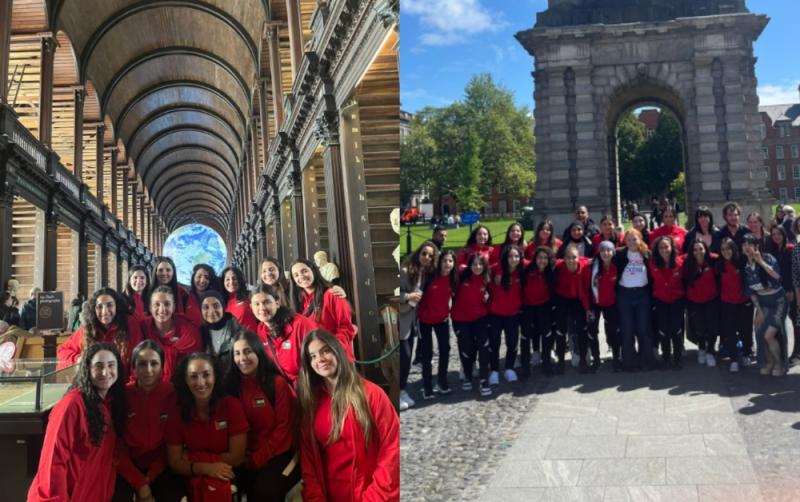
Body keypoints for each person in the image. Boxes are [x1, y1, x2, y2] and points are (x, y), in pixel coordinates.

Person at [297, 330, 399, 501]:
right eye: (312, 356)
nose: (320, 359)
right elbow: (309, 462)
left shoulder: (372, 394)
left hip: (370, 495)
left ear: (337, 351)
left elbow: (392, 451)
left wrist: (375, 497)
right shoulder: (310, 403)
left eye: (325, 351)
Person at [28, 343, 126, 501]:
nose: (105, 372)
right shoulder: (72, 405)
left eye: (111, 365)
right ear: (87, 369)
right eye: (98, 366)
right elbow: (53, 461)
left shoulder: (110, 404)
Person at [225, 331, 300, 501]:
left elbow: (284, 429)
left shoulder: (276, 384)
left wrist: (257, 459)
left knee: (265, 493)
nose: (242, 358)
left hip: (280, 454)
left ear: (258, 352)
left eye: (248, 351)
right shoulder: (231, 386)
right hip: (245, 457)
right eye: (237, 353)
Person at [165, 353, 248, 501]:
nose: (201, 382)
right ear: (185, 380)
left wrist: (191, 457)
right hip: (190, 474)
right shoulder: (176, 410)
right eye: (193, 376)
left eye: (206, 375)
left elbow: (237, 458)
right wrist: (205, 468)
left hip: (226, 471)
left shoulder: (231, 405)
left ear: (215, 376)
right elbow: (175, 463)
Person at [114, 340, 185, 502]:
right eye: (142, 364)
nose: (149, 370)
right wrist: (139, 483)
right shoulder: (123, 396)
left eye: (154, 364)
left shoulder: (172, 393)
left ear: (162, 367)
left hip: (162, 465)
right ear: (133, 368)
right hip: (128, 466)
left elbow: (174, 441)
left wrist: (150, 476)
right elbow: (117, 446)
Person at [57, 288, 143, 376]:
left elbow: (137, 358)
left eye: (109, 305)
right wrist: (79, 359)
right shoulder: (88, 326)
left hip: (123, 384)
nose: (104, 312)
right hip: (95, 383)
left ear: (117, 306)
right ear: (94, 309)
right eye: (99, 306)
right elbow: (63, 351)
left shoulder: (129, 324)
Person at [290, 259, 358, 361]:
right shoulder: (299, 302)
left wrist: (331, 349)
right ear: (294, 281)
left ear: (313, 271)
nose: (301, 276)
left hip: (335, 356)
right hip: (314, 359)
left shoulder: (332, 294)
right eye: (296, 275)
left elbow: (346, 328)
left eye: (304, 271)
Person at [251, 283, 318, 387]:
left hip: (310, 385)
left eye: (267, 302)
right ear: (251, 307)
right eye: (257, 304)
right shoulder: (261, 330)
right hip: (286, 388)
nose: (262, 308)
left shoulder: (301, 324)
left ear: (277, 302)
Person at [398, 242, 437, 409]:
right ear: (418, 253)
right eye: (424, 253)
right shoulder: (405, 271)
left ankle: (403, 390)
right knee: (404, 357)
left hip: (413, 322)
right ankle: (399, 392)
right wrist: (408, 296)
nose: (426, 257)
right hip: (402, 319)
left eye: (430, 255)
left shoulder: (425, 273)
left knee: (407, 358)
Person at [742, 233, 787, 376]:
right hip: (762, 303)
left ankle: (779, 364)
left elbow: (777, 276)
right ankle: (769, 363)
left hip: (778, 301)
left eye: (750, 244)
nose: (747, 247)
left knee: (769, 335)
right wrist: (759, 310)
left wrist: (760, 261)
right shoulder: (745, 267)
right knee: (760, 333)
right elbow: (751, 292)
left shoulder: (768, 258)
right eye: (744, 245)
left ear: (756, 246)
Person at [139, 286, 203, 381]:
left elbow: (196, 362)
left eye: (167, 304)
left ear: (173, 307)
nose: (162, 309)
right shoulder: (142, 328)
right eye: (156, 304)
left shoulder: (190, 330)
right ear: (150, 308)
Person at [614, 229, 656, 371]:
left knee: (643, 328)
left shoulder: (647, 254)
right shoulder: (619, 254)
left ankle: (647, 361)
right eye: (629, 239)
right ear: (625, 241)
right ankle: (629, 362)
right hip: (624, 294)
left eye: (635, 239)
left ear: (640, 240)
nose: (632, 242)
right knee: (627, 328)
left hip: (643, 294)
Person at [416, 249, 456, 396]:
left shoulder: (453, 278)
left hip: (442, 319)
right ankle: (427, 386)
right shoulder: (430, 277)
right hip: (425, 320)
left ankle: (442, 381)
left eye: (450, 261)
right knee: (427, 354)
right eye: (445, 260)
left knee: (445, 350)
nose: (447, 264)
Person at [451, 254, 492, 395]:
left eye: (480, 264)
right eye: (474, 264)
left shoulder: (487, 279)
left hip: (480, 318)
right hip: (461, 319)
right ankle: (468, 376)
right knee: (466, 348)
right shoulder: (461, 276)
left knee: (484, 347)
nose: (477, 267)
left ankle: (484, 379)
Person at [487, 244, 524, 384]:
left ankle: (509, 368)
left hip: (513, 314)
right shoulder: (495, 269)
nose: (513, 259)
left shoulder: (521, 270)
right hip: (495, 313)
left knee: (513, 342)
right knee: (494, 343)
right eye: (510, 256)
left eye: (516, 256)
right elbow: (479, 273)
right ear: (505, 257)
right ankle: (494, 370)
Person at [649, 236, 686, 369]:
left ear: (672, 247)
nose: (664, 250)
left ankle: (677, 358)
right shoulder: (652, 263)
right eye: (661, 247)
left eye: (666, 247)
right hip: (660, 300)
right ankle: (665, 357)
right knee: (663, 329)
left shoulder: (680, 262)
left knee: (676, 329)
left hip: (677, 300)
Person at [553, 244, 590, 373]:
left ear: (578, 257)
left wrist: (588, 308)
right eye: (568, 257)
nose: (571, 260)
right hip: (562, 299)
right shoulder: (558, 266)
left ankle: (583, 360)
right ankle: (561, 361)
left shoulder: (584, 265)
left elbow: (585, 290)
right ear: (563, 258)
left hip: (578, 299)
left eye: (574, 257)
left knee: (582, 329)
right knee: (561, 330)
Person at [584, 240, 619, 372]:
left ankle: (616, 358)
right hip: (594, 304)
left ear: (613, 252)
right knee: (592, 331)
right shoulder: (591, 267)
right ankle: (596, 359)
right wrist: (587, 308)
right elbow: (586, 289)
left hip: (611, 304)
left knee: (613, 331)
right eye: (603, 250)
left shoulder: (617, 266)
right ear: (599, 252)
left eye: (609, 250)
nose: (606, 253)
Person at [520, 246, 555, 376]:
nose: (542, 261)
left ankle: (546, 363)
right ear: (535, 258)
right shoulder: (526, 270)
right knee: (525, 337)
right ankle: (525, 366)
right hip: (527, 307)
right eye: (540, 257)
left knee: (546, 336)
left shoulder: (551, 272)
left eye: (545, 258)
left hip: (544, 306)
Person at [715, 238, 749, 373]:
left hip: (743, 301)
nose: (726, 251)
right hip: (727, 303)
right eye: (723, 249)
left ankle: (746, 353)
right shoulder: (718, 264)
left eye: (728, 248)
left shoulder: (742, 262)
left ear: (734, 249)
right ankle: (734, 359)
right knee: (730, 332)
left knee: (745, 330)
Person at [685, 240, 720, 368]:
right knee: (699, 327)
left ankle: (710, 351)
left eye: (701, 249)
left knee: (712, 327)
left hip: (711, 299)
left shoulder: (713, 260)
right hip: (694, 300)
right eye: (695, 250)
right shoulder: (687, 263)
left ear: (706, 249)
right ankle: (701, 349)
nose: (698, 252)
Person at [199, 290, 248, 372]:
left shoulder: (236, 329)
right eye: (206, 307)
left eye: (216, 306)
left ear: (223, 307)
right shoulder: (199, 332)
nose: (211, 311)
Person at [149, 257, 202, 327]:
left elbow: (193, 319)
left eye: (168, 270)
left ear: (173, 272)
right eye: (160, 270)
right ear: (155, 272)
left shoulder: (183, 293)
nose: (164, 273)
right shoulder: (147, 292)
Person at [220, 266, 259, 332]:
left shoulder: (250, 296)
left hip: (252, 338)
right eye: (227, 279)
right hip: (234, 340)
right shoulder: (222, 302)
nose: (231, 282)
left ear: (240, 280)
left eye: (234, 278)